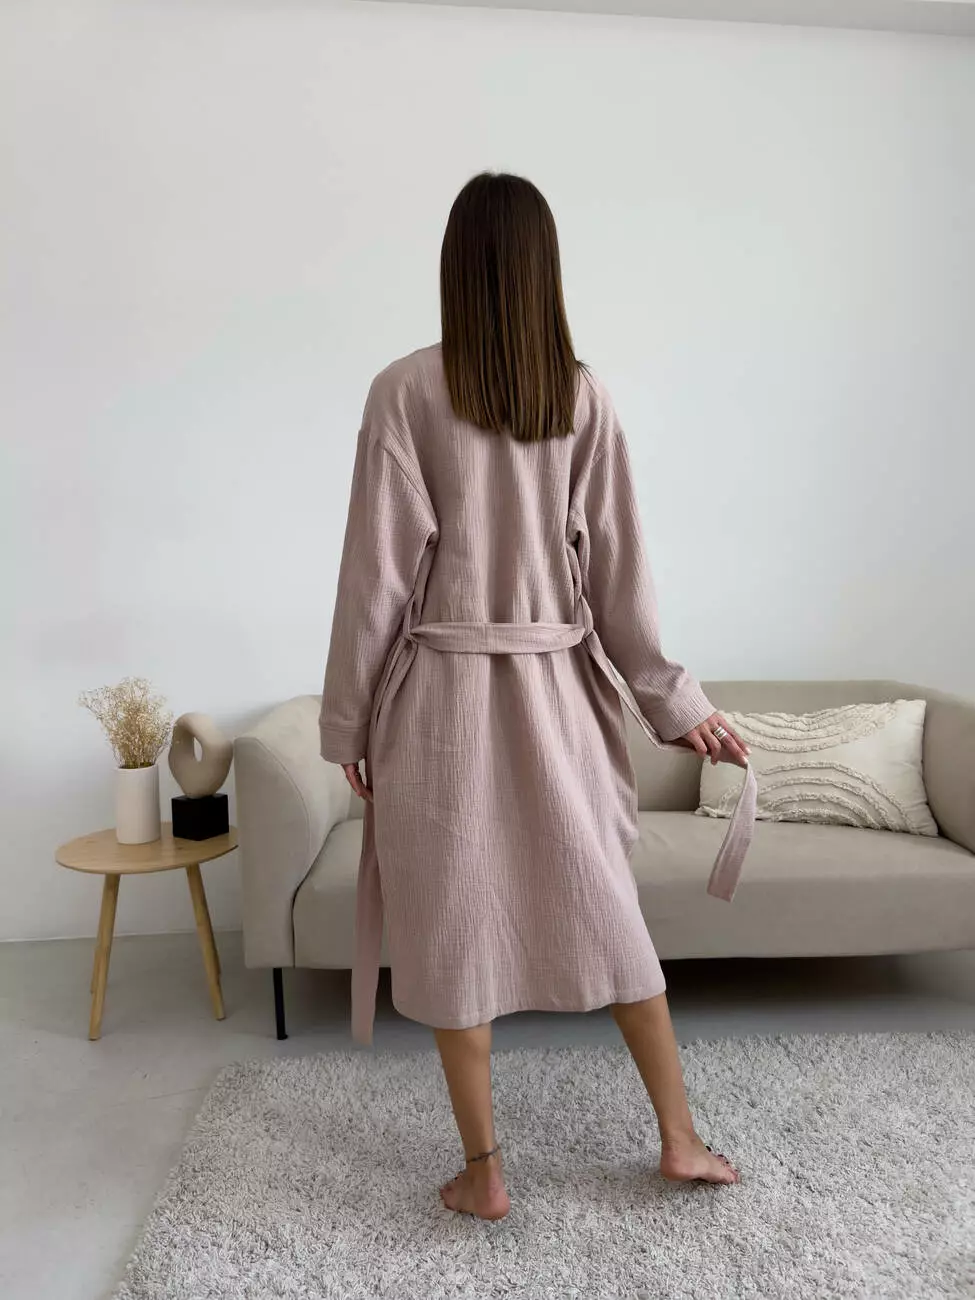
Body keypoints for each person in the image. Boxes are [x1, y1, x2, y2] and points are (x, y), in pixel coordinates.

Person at [319, 172, 753, 1221]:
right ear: (543, 269)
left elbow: (374, 576)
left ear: (454, 266)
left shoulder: (403, 391)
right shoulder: (581, 395)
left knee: (453, 930)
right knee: (608, 915)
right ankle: (680, 1139)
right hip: (560, 696)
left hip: (440, 704)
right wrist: (673, 699)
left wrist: (350, 721)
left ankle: (486, 1171)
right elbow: (621, 574)